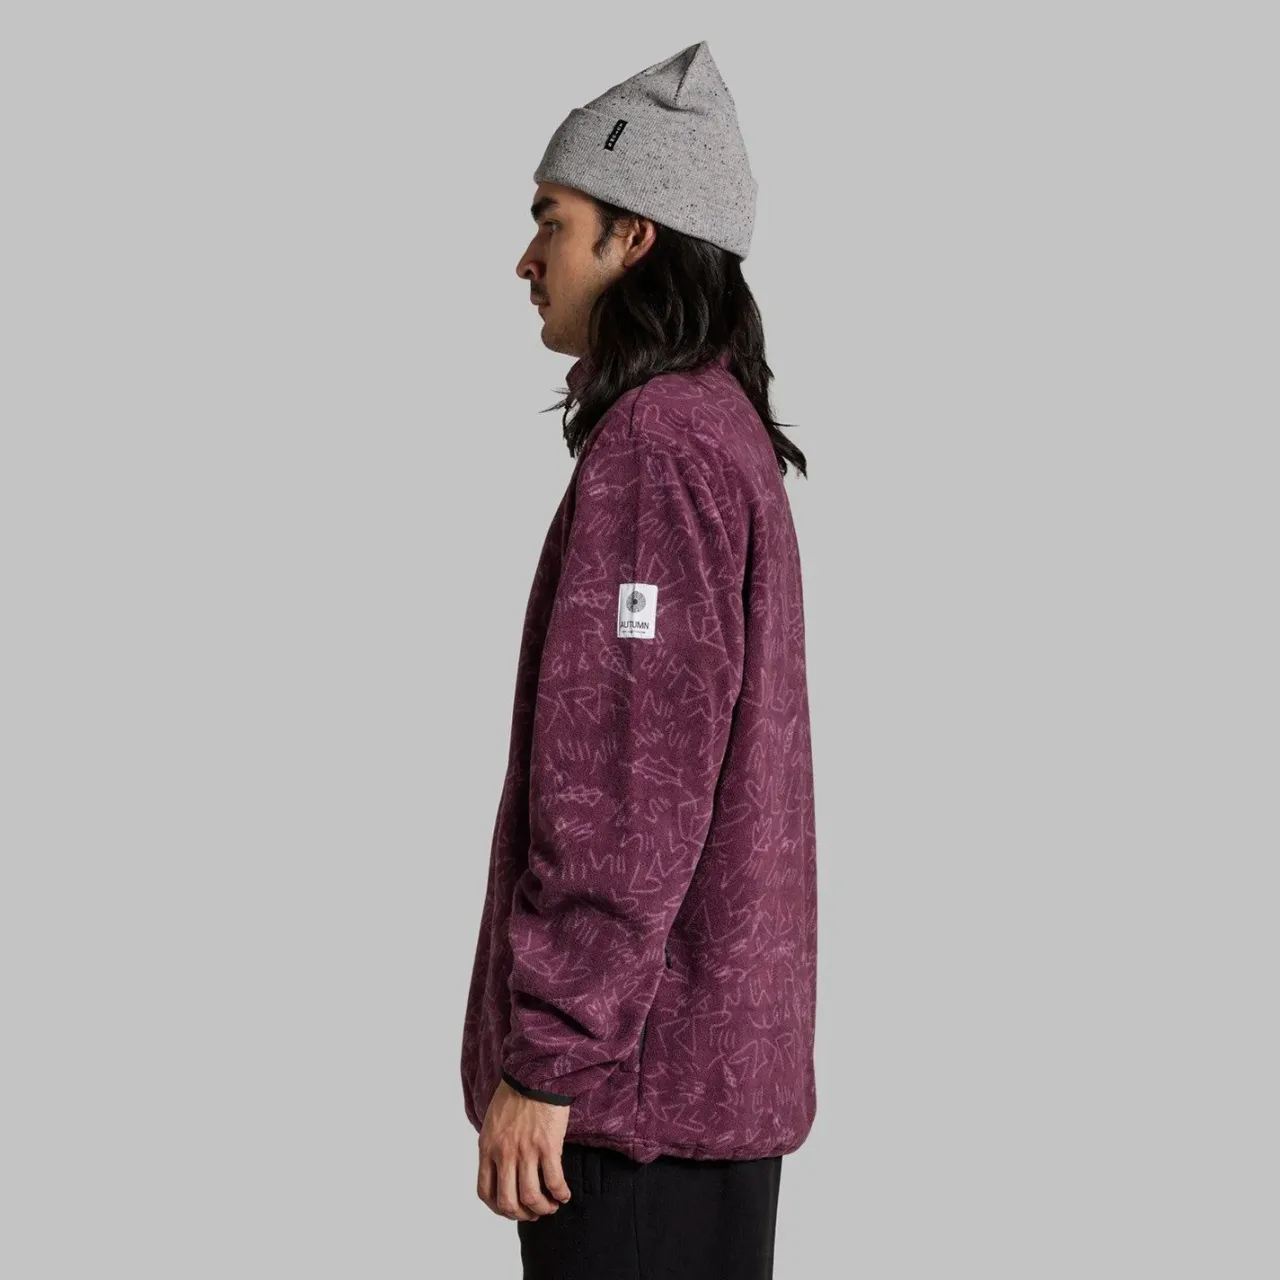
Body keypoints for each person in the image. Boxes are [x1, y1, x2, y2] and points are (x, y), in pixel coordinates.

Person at [458, 39, 818, 1279]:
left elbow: (629, 786)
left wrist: (548, 1056)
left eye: (550, 221)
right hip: (694, 1092)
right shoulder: (717, 430)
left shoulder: (659, 448)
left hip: (628, 1108)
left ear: (634, 237)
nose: (526, 258)